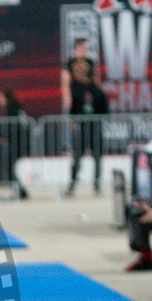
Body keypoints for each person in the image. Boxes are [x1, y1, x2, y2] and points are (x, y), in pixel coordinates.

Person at [62, 38, 108, 197]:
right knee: (77, 156)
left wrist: (99, 99)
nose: (84, 50)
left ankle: (97, 184)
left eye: (85, 48)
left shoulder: (91, 63)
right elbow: (66, 86)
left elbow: (97, 82)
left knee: (97, 155)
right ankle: (72, 185)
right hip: (79, 116)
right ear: (75, 48)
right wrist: (70, 116)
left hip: (93, 119)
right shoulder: (69, 64)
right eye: (81, 47)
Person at [0, 87, 30, 199]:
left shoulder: (14, 110)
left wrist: (3, 137)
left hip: (17, 144)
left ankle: (20, 191)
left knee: (9, 168)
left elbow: (13, 128)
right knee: (10, 168)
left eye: (0, 97)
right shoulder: (12, 109)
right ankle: (19, 191)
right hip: (15, 143)